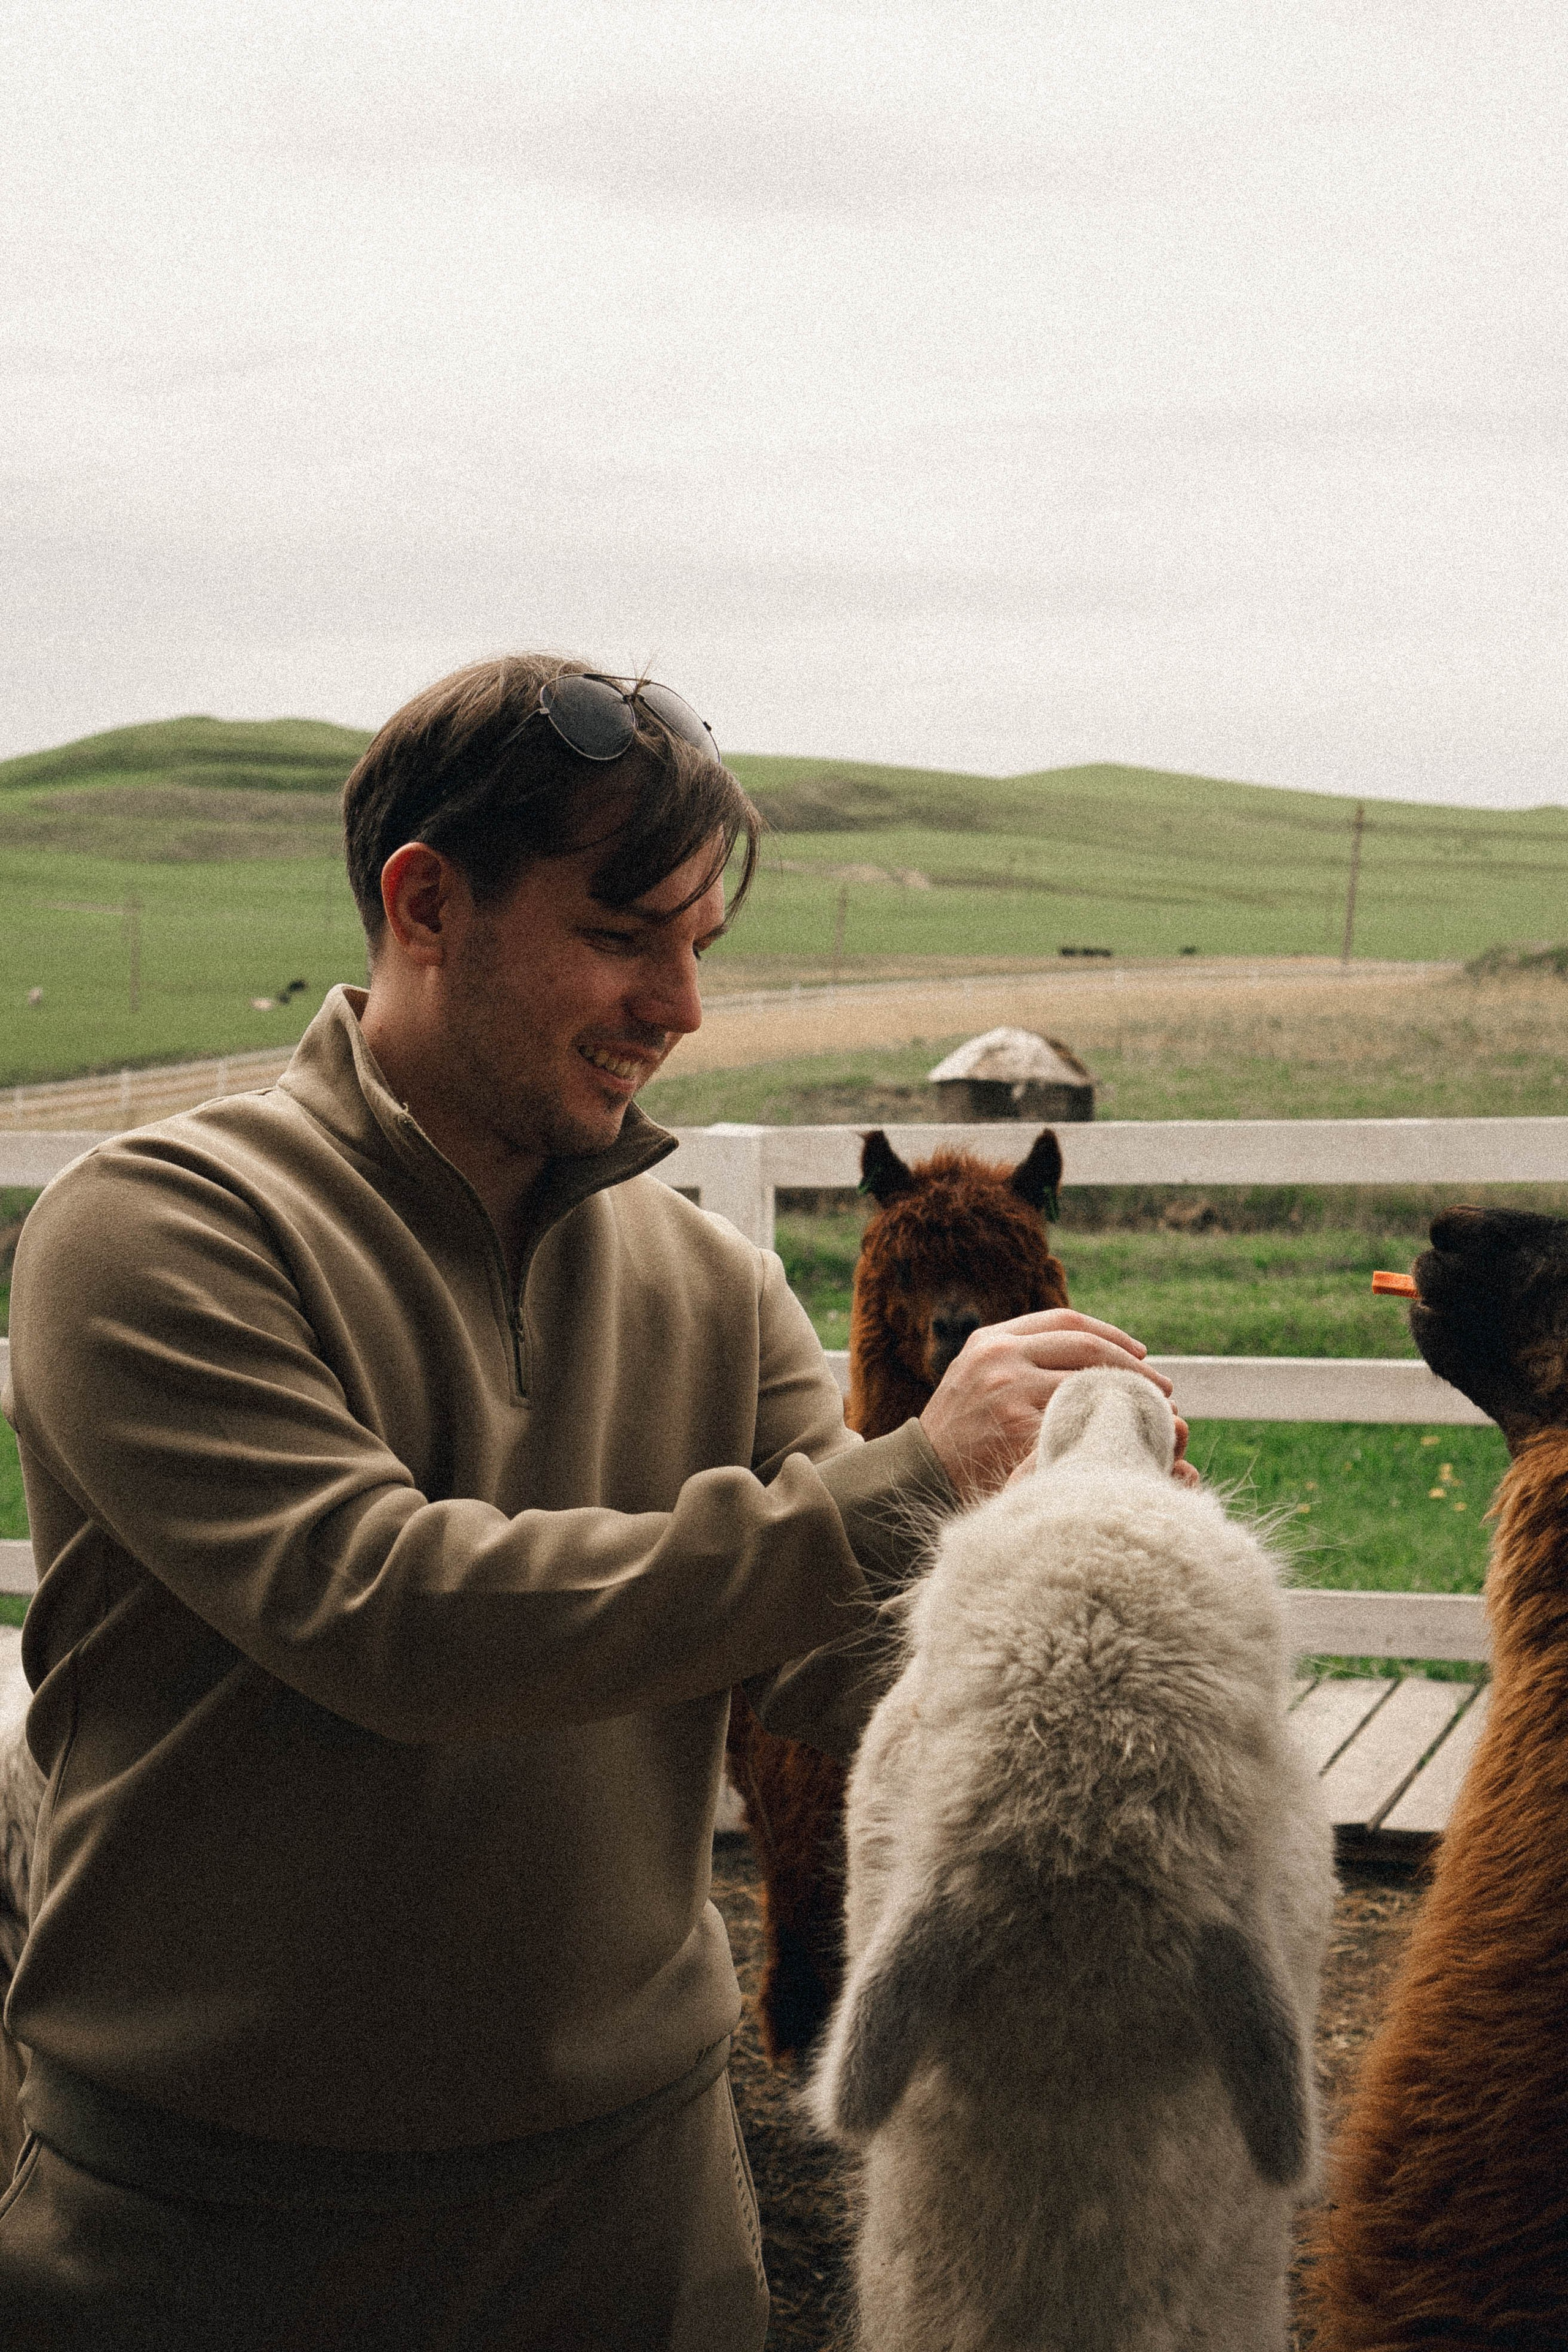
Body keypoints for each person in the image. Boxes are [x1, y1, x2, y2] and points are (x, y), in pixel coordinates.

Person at [0, 655, 1184, 2351]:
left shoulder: (714, 1286)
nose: (682, 1006)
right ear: (426, 902)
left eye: (700, 947)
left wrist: (1086, 1554)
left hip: (638, 2220)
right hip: (211, 2233)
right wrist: (919, 1466)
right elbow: (392, 1615)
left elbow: (854, 1665)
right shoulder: (158, 1227)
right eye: (627, 935)